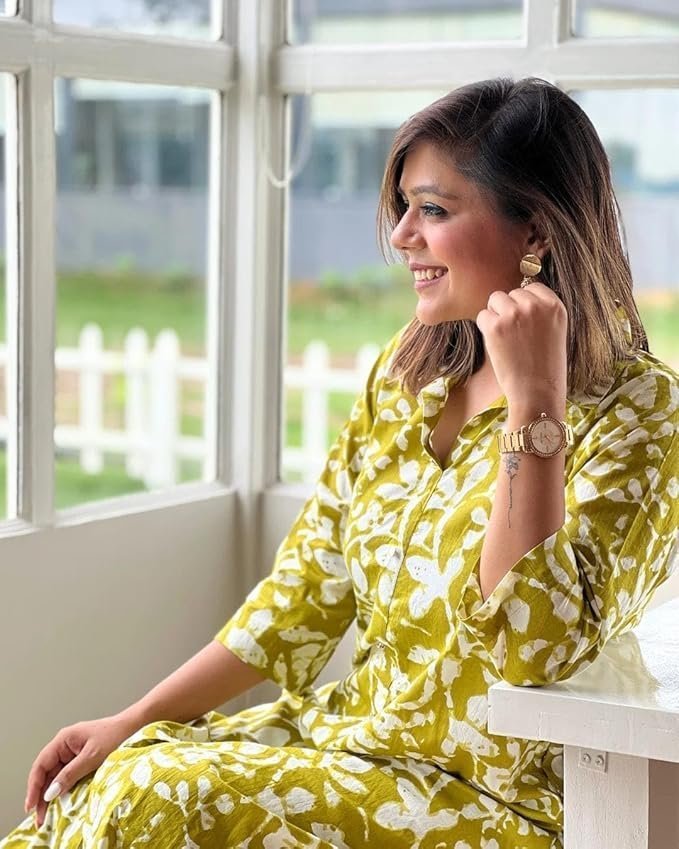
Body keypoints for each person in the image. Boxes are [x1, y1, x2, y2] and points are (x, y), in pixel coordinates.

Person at [3, 75, 678, 849]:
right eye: (402, 207)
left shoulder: (641, 412)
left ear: (534, 232)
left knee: (156, 796)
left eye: (433, 209)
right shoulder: (408, 376)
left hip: (499, 798)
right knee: (97, 788)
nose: (401, 235)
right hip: (354, 743)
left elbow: (531, 648)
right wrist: (133, 718)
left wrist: (534, 408)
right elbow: (300, 597)